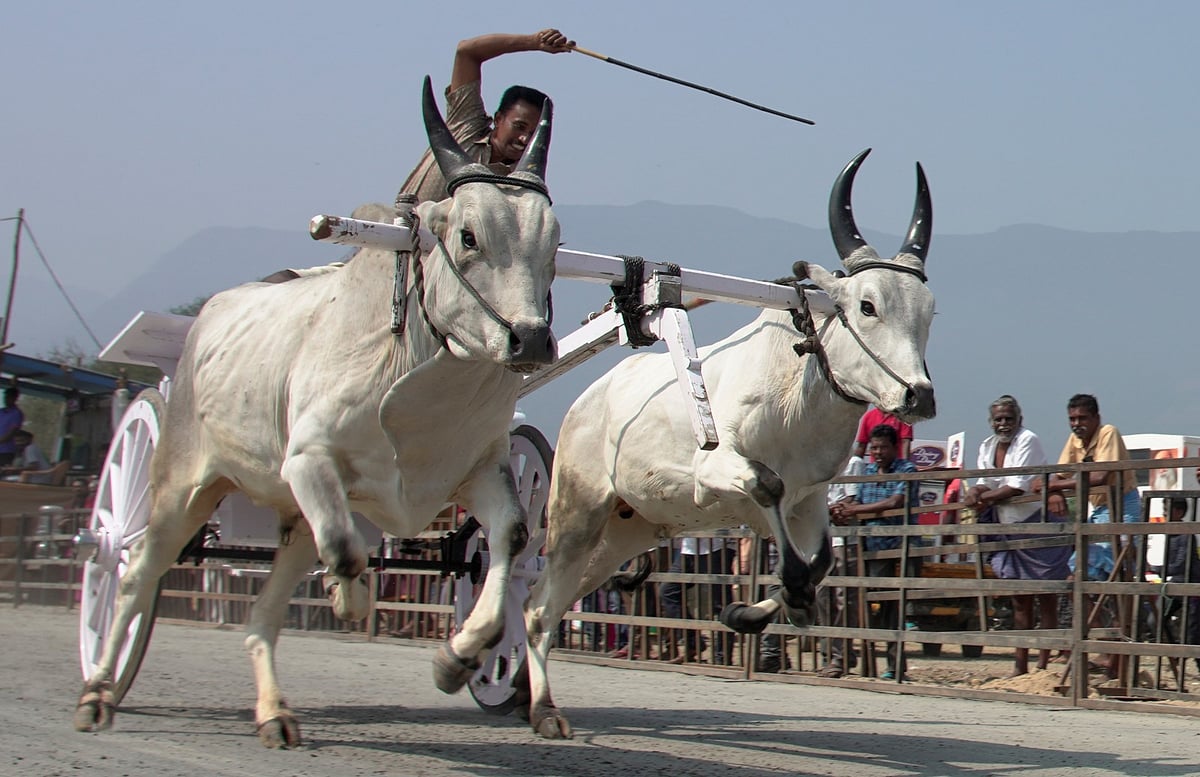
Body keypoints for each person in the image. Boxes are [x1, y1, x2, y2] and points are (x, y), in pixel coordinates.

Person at [398, 28, 574, 205]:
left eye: (533, 134)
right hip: (394, 228)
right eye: (519, 126)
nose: (524, 139)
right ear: (498, 119)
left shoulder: (520, 186)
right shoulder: (466, 124)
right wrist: (533, 42)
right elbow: (467, 52)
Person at [964, 395, 1070, 676]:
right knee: (1019, 598)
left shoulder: (1028, 440)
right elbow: (984, 481)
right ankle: (1020, 664)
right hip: (1007, 527)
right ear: (992, 422)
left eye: (1008, 419)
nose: (1003, 424)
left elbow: (1017, 486)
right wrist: (974, 492)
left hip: (1035, 523)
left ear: (1019, 420)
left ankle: (1044, 664)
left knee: (1046, 595)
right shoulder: (987, 447)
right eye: (998, 419)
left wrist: (982, 497)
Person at [830, 423, 919, 680]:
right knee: (866, 606)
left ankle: (895, 666)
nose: (877, 452)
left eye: (882, 447)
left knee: (894, 609)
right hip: (870, 549)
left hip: (898, 548)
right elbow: (854, 499)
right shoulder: (867, 471)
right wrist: (842, 508)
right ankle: (868, 662)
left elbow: (895, 502)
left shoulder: (906, 469)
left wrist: (854, 511)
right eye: (874, 448)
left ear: (894, 448)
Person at [1033, 393, 1139, 581]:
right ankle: (1100, 609)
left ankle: (1128, 608)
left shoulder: (1108, 432)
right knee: (1079, 570)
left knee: (1118, 567)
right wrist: (1053, 492)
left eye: (1082, 418)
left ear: (1096, 418)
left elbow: (1100, 477)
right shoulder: (1075, 440)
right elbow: (1058, 473)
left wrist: (1053, 486)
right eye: (1072, 419)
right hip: (1100, 509)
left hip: (1122, 504)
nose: (1076, 423)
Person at [816, 452, 866, 677]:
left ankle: (841, 656)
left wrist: (834, 509)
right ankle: (830, 654)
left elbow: (852, 498)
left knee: (845, 598)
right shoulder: (816, 459)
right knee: (822, 596)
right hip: (819, 535)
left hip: (844, 538)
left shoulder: (852, 462)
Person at [660, 534, 735, 664]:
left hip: (717, 547)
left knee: (720, 604)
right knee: (668, 591)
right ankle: (693, 643)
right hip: (689, 548)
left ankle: (722, 657)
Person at [1158, 498, 1200, 675]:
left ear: (1179, 512)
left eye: (1168, 512)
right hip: (1175, 585)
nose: (1164, 515)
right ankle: (1175, 650)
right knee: (1157, 618)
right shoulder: (1170, 533)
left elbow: (1182, 563)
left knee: (1194, 632)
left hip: (1192, 588)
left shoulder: (1185, 534)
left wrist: (1158, 569)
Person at [0, 387, 24, 467]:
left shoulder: (16, 414)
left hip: (6, 451)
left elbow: (11, 433)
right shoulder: (1, 412)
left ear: (15, 398)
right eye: (5, 397)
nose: (6, 399)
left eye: (8, 397)